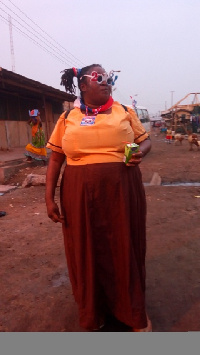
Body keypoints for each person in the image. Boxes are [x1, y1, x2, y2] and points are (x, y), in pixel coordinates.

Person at [45, 64, 152, 332]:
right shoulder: (68, 116)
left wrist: (140, 151)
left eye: (109, 78)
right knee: (86, 249)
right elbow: (56, 158)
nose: (107, 82)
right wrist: (49, 198)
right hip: (79, 194)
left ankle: (131, 312)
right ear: (83, 86)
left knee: (123, 246)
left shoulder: (124, 112)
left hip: (122, 191)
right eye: (99, 78)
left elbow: (144, 140)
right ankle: (94, 313)